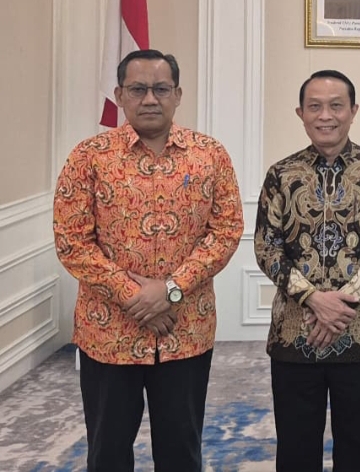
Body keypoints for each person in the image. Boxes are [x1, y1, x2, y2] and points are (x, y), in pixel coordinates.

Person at [53, 49, 243, 472]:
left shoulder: (210, 154)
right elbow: (72, 241)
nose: (150, 99)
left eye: (161, 89)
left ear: (178, 94)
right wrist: (135, 296)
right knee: (107, 451)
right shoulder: (88, 156)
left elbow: (226, 230)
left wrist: (170, 290)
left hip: (184, 330)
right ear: (120, 95)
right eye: (138, 89)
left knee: (181, 450)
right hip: (109, 333)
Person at [253, 69, 360, 471]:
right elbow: (267, 246)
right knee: (295, 448)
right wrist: (314, 299)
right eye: (315, 106)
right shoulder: (281, 174)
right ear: (300, 113)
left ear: (353, 111)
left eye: (336, 106)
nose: (326, 116)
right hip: (294, 331)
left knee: (357, 447)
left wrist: (341, 304)